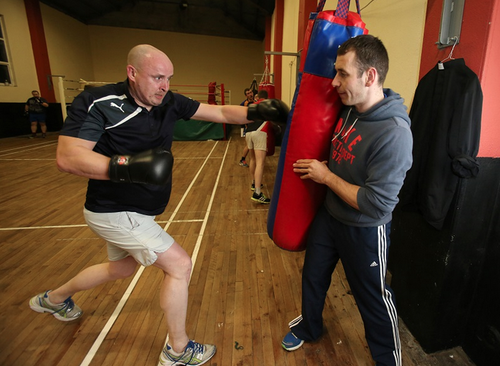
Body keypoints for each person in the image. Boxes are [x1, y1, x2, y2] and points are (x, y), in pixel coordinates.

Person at [28, 44, 288, 366]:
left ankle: (55, 298)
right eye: (157, 77)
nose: (164, 86)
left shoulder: (168, 101)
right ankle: (177, 350)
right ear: (132, 73)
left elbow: (219, 113)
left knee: (120, 268)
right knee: (179, 266)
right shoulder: (100, 103)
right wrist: (126, 166)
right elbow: (68, 156)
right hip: (115, 210)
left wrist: (255, 113)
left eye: (168, 78)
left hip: (134, 211)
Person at [281, 35, 413, 366]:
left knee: (373, 299)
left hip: (365, 230)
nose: (334, 82)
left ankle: (389, 360)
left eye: (342, 74)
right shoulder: (349, 107)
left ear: (369, 76)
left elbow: (376, 204)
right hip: (331, 216)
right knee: (312, 276)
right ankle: (310, 327)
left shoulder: (394, 132)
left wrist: (326, 177)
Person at [245, 89, 277, 204]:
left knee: (252, 159)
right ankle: (257, 193)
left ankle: (254, 183)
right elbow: (274, 122)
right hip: (260, 132)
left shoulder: (253, 105)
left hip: (248, 132)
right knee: (260, 162)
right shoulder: (268, 105)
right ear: (267, 97)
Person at [238, 88, 256, 167]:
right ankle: (242, 159)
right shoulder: (244, 104)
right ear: (246, 95)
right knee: (249, 145)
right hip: (249, 127)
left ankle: (255, 161)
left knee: (253, 145)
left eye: (251, 92)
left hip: (256, 126)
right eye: (248, 93)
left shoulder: (256, 101)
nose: (250, 94)